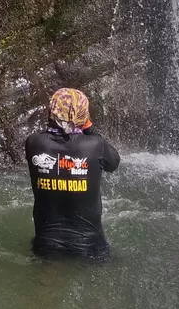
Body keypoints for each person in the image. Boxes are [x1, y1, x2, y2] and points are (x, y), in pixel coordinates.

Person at [24, 88, 120, 258]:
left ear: (51, 111)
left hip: (46, 248)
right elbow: (113, 163)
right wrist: (88, 126)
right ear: (84, 114)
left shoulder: (34, 143)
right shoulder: (96, 145)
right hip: (90, 249)